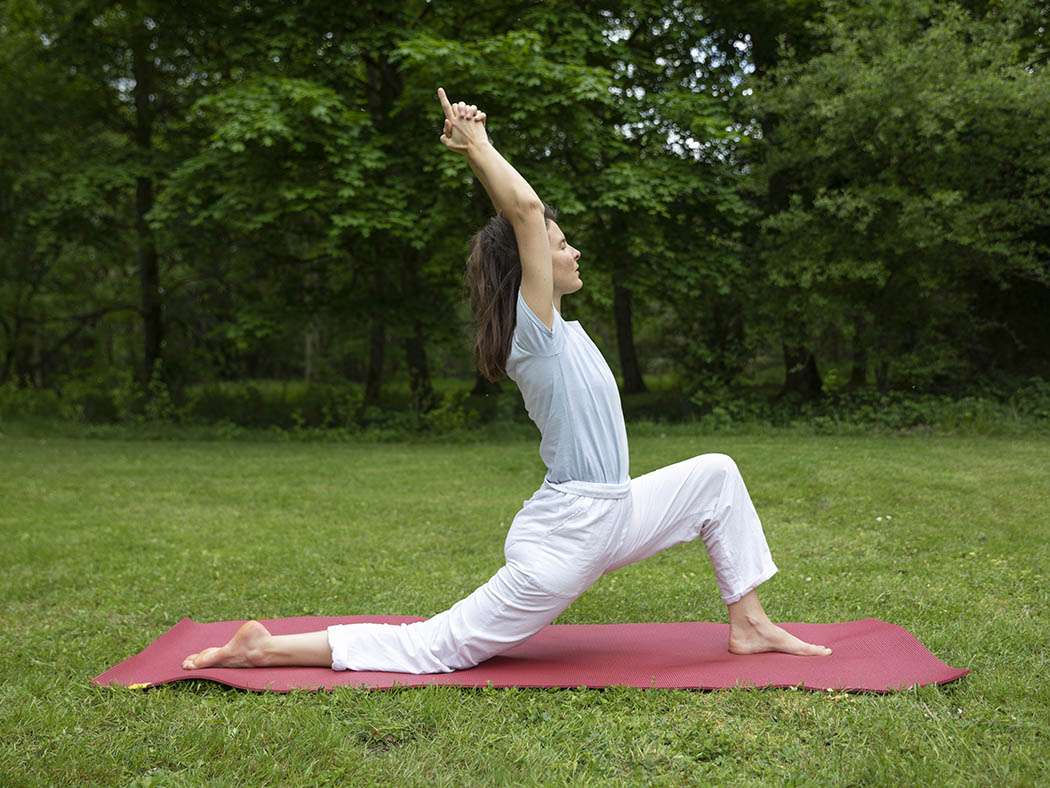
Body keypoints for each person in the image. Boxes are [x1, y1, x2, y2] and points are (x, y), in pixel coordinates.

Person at [180, 87, 831, 674]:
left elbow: (526, 221)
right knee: (438, 646)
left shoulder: (562, 330)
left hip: (611, 509)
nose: (573, 252)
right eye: (560, 244)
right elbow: (521, 209)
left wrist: (477, 150)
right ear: (531, 268)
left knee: (715, 474)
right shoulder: (536, 332)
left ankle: (749, 624)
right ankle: (264, 649)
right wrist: (477, 144)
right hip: (573, 534)